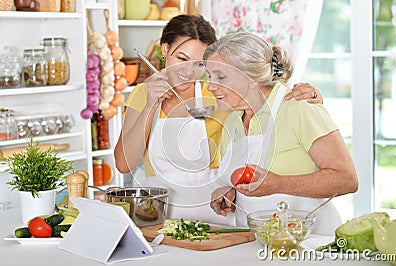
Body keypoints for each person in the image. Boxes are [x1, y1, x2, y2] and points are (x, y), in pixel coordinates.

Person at [114, 15, 323, 224]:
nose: (189, 72)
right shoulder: (144, 93)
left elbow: (266, 101)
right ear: (166, 49)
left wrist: (308, 95)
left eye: (199, 64)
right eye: (182, 59)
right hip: (160, 215)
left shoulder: (219, 93)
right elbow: (124, 164)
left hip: (217, 214)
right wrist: (151, 103)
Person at [205, 32, 358, 234]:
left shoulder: (300, 107)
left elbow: (347, 179)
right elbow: (247, 180)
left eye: (220, 76)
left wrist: (278, 184)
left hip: (310, 243)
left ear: (251, 78)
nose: (210, 85)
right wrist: (231, 193)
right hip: (254, 243)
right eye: (209, 76)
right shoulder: (232, 121)